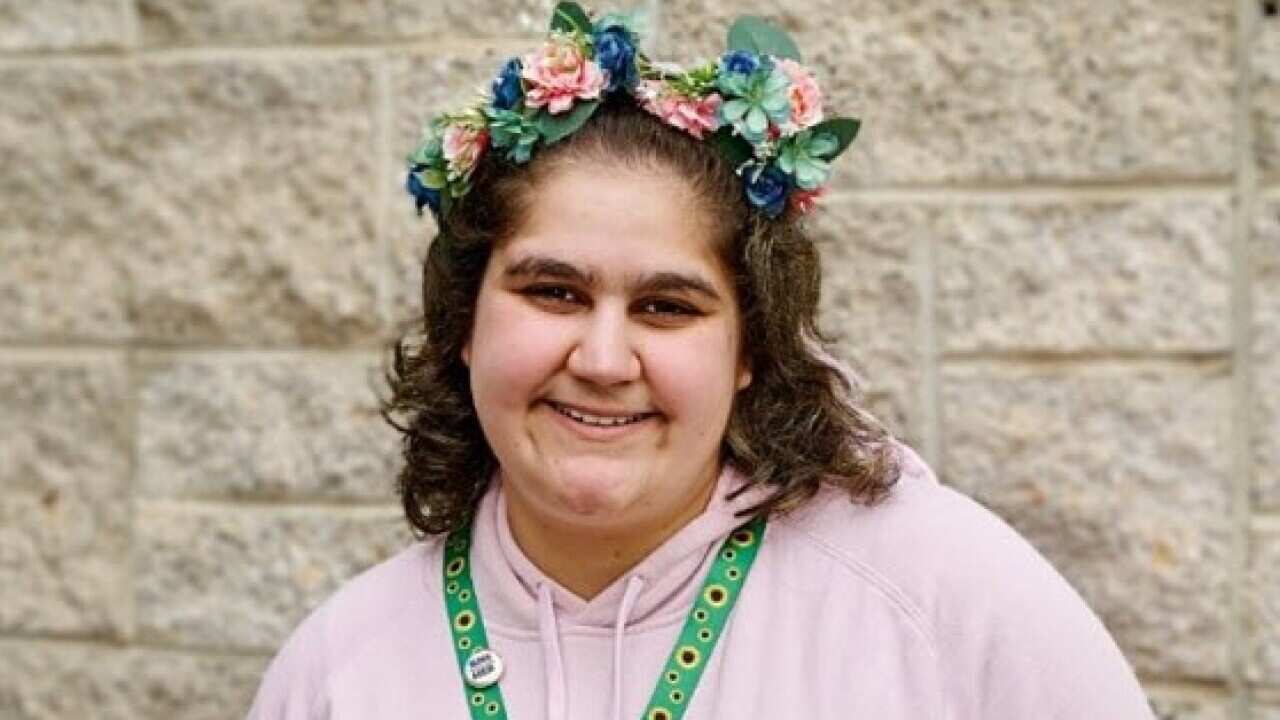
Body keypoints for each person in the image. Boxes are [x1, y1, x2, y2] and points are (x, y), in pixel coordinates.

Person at [248, 4, 1155, 718]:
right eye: (553, 292)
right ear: (465, 325)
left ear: (750, 347)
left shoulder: (945, 601)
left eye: (666, 306)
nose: (603, 358)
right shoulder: (340, 667)